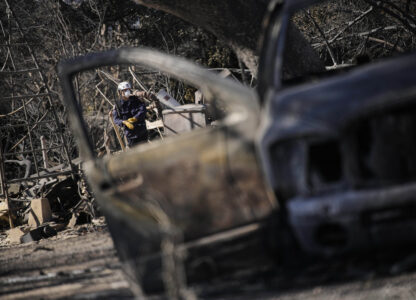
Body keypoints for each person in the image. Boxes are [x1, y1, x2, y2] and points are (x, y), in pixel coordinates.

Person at [112, 81, 149, 147]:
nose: (127, 91)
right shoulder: (118, 105)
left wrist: (136, 118)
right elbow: (115, 119)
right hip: (131, 135)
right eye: (125, 90)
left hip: (142, 132)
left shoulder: (137, 100)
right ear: (120, 92)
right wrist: (124, 122)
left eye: (128, 89)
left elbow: (143, 110)